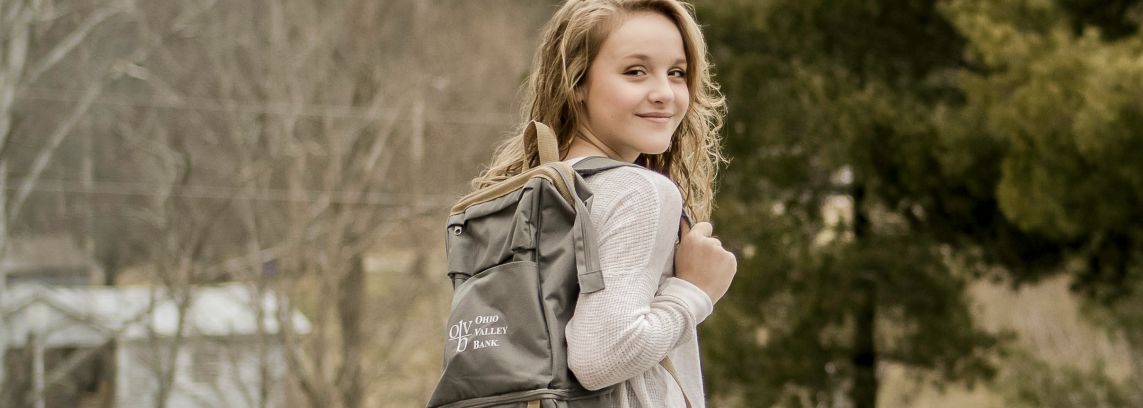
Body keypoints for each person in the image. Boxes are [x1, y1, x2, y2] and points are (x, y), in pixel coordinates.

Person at [471, 1, 737, 406]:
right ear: (577, 82)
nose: (664, 93)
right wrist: (696, 291)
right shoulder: (639, 191)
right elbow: (601, 356)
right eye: (635, 72)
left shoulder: (530, 194)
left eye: (677, 73)